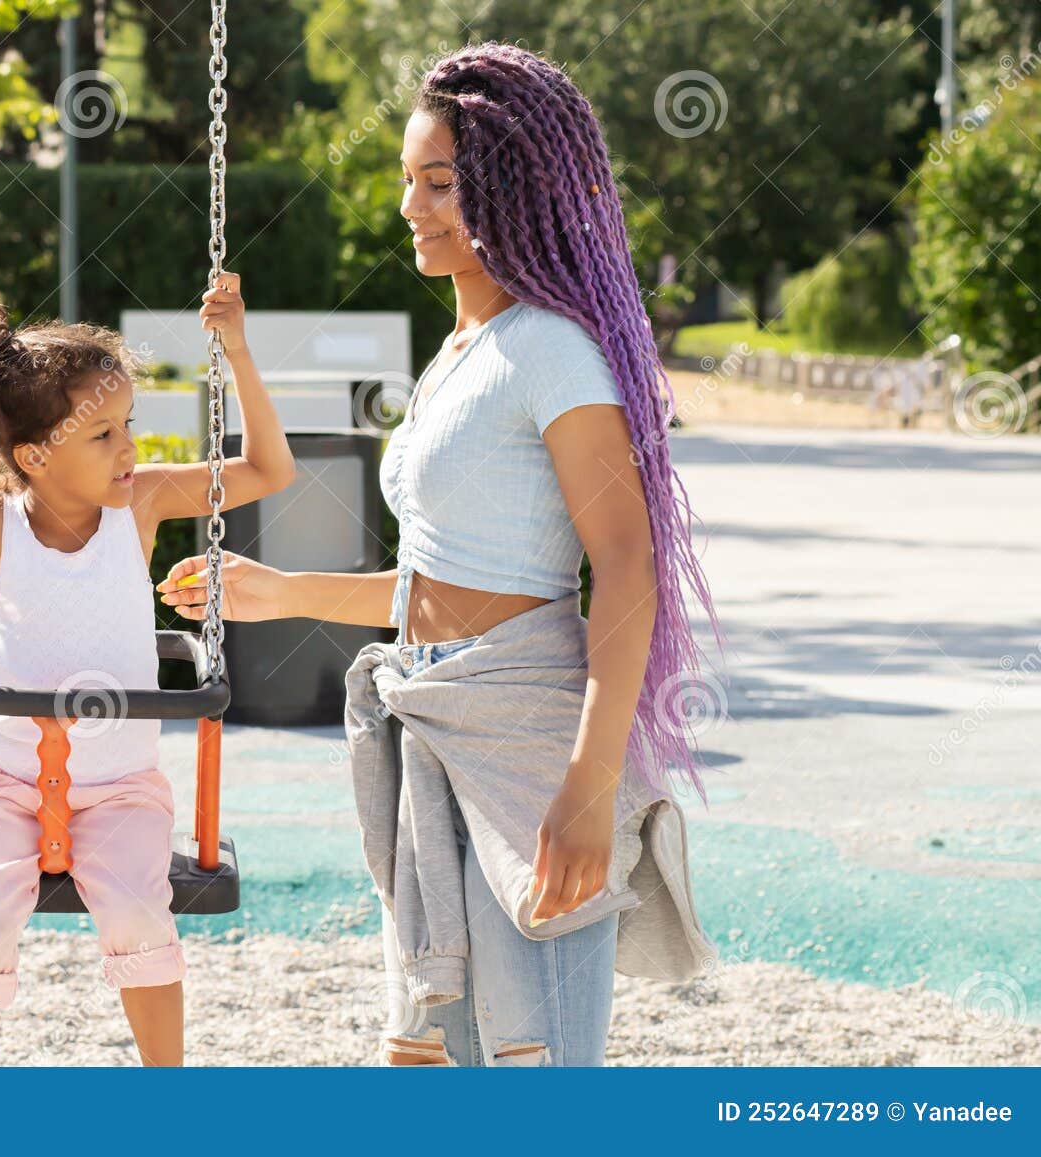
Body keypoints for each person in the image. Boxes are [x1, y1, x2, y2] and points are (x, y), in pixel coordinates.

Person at [159, 42, 724, 1067]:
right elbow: (441, 576)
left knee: (535, 1063)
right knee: (444, 1062)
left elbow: (626, 564)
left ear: (512, 187)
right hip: (427, 711)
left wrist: (590, 785)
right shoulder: (459, 355)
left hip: (522, 737)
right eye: (407, 181)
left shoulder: (551, 349)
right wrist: (280, 590)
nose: (412, 205)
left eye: (441, 183)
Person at [0, 262, 295, 1066]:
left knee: (141, 918)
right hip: (0, 783)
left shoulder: (141, 502)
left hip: (120, 789)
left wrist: (238, 353)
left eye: (130, 425)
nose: (131, 448)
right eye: (104, 433)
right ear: (36, 455)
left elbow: (265, 473)